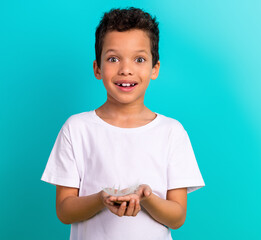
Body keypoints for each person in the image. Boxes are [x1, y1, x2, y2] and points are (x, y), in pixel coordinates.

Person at [41, 7, 205, 240]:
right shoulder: (77, 129)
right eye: (113, 58)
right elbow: (65, 210)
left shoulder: (171, 132)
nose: (126, 70)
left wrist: (147, 199)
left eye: (139, 59)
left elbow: (177, 217)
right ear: (97, 68)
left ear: (154, 68)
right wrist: (101, 199)